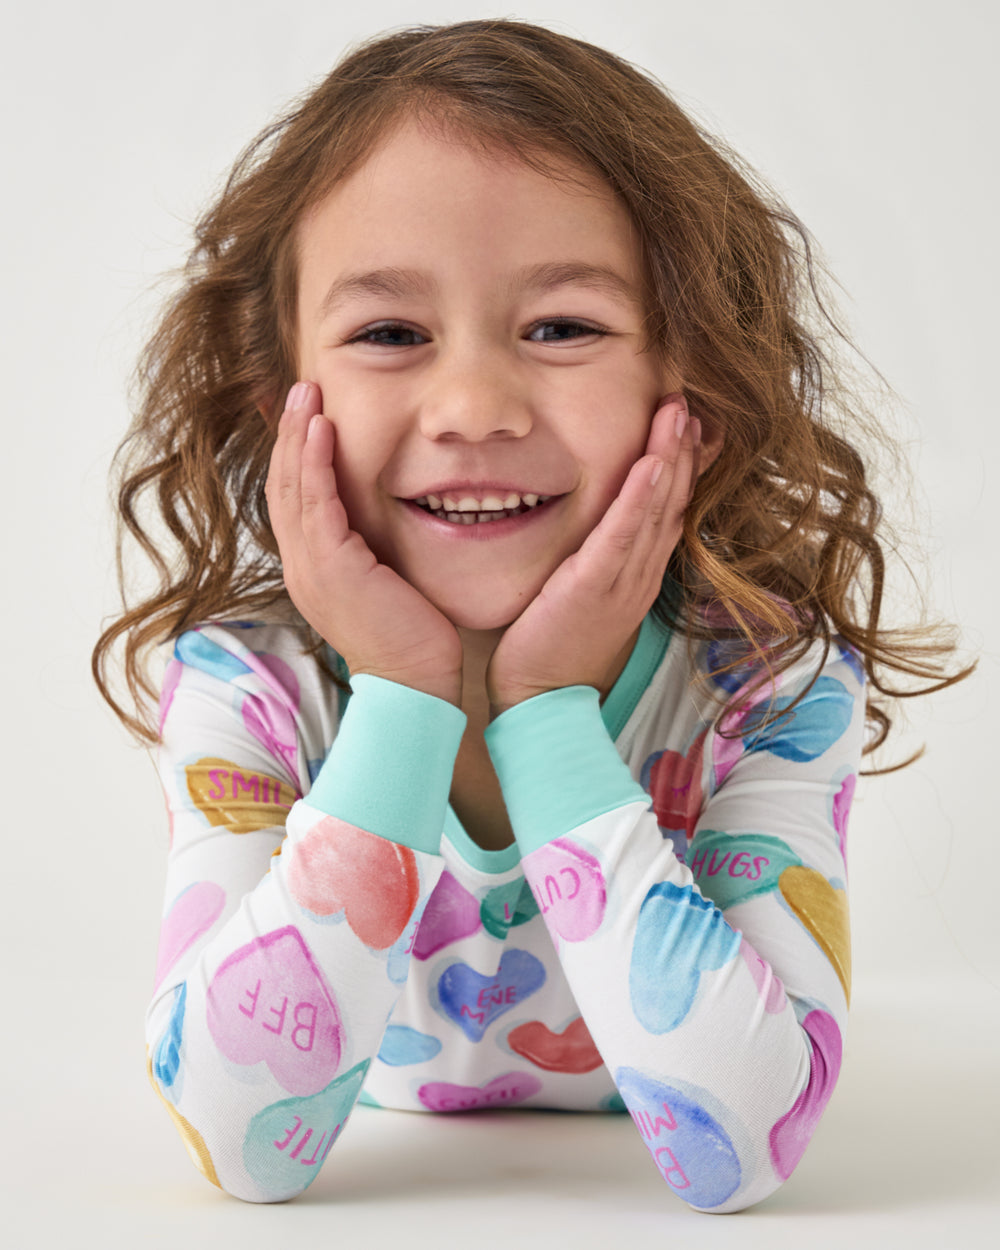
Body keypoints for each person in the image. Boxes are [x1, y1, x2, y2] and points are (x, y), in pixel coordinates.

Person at [92, 18, 968, 1211]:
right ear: (279, 403)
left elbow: (745, 1146)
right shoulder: (247, 687)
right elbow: (244, 1147)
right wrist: (399, 694)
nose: (472, 405)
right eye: (390, 333)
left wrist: (550, 711)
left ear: (692, 390)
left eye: (562, 327)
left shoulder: (767, 686)